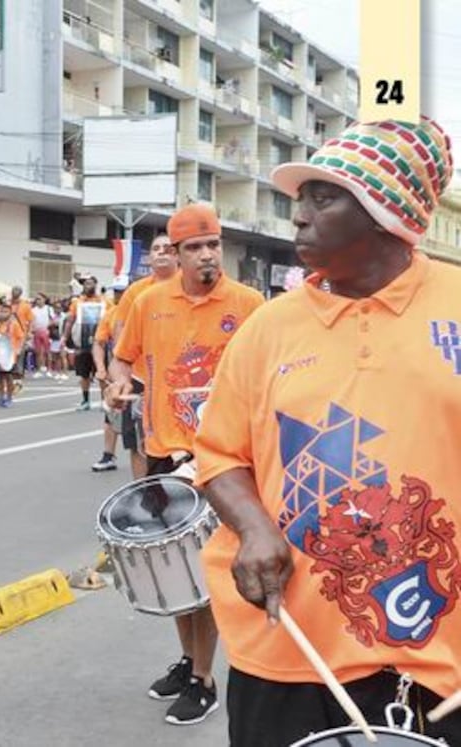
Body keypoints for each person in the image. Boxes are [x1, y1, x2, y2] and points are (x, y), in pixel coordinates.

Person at [194, 117, 461, 745]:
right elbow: (219, 453)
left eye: (324, 197)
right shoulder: (268, 327)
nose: (300, 217)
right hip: (288, 644)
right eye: (300, 200)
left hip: (436, 652)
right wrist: (254, 526)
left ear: (383, 214)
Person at [108, 203, 265, 725]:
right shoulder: (149, 302)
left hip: (219, 461)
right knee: (171, 568)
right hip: (162, 450)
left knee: (205, 574)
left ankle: (204, 678)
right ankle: (188, 660)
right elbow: (122, 355)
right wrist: (118, 381)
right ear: (174, 254)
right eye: (194, 247)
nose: (205, 255)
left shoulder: (248, 305)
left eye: (212, 245)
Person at [112, 234, 178, 480]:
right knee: (138, 443)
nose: (161, 252)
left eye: (168, 248)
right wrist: (119, 376)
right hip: (141, 378)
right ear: (149, 257)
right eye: (156, 248)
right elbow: (120, 338)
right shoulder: (136, 293)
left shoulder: (189, 288)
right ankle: (144, 497)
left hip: (176, 381)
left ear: (178, 254)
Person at [90, 276, 130, 471]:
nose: (117, 295)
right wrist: (100, 367)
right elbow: (98, 343)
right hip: (118, 371)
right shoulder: (111, 314)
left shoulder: (142, 310)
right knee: (111, 412)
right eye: (115, 291)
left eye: (121, 291)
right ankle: (108, 455)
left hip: (142, 373)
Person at [62, 274, 111, 411]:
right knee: (84, 375)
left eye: (90, 283)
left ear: (96, 285)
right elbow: (70, 320)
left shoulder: (105, 302)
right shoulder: (77, 302)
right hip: (82, 344)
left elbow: (114, 318)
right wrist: (65, 337)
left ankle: (104, 401)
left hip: (100, 343)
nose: (88, 286)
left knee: (102, 374)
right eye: (85, 284)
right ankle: (85, 400)